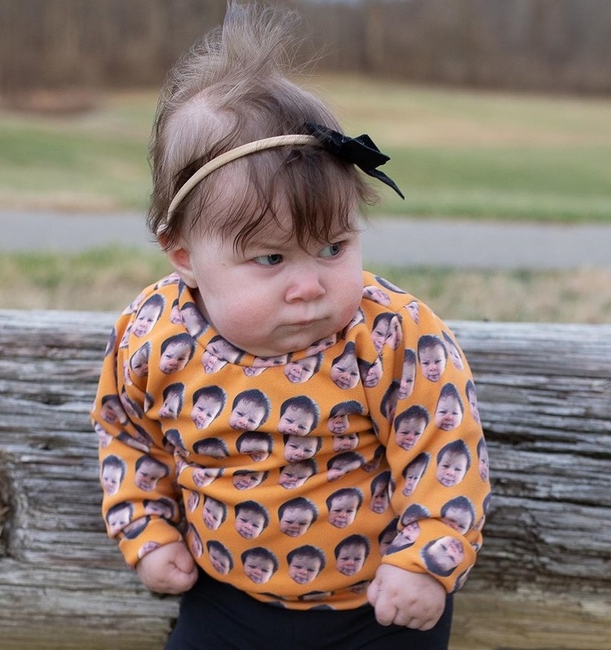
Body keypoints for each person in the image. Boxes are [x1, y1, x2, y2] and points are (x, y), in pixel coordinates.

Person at [91, 3, 490, 649]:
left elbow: (444, 448)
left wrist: (426, 560)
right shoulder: (152, 336)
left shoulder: (392, 335)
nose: (309, 285)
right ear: (186, 256)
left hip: (377, 606)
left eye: (333, 246)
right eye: (270, 258)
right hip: (225, 602)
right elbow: (127, 436)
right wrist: (146, 528)